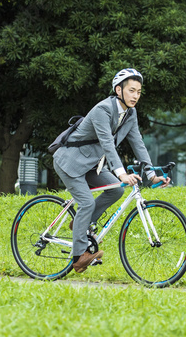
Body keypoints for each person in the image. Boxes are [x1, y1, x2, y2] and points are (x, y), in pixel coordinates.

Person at [52, 68, 168, 273]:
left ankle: (82, 223)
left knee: (116, 189)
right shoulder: (102, 110)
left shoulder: (130, 114)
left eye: (139, 92)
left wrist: (151, 174)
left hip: (91, 164)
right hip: (69, 163)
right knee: (87, 202)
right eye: (131, 90)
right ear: (118, 89)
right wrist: (121, 173)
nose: (135, 96)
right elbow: (107, 143)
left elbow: (138, 144)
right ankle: (79, 257)